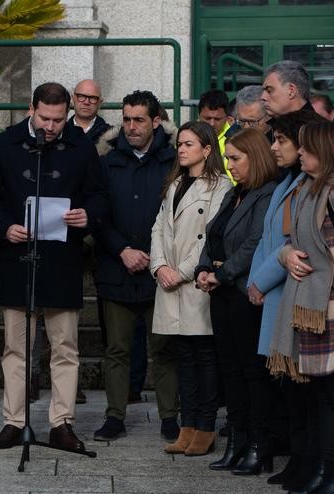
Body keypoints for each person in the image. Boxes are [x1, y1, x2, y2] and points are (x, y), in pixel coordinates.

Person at [0, 82, 108, 453]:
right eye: (44, 118)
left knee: (65, 346)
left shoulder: (81, 146)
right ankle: (13, 422)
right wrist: (4, 225)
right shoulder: (7, 143)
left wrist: (89, 215)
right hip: (17, 257)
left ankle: (61, 422)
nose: (51, 127)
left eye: (58, 119)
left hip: (63, 258)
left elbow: (99, 195)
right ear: (31, 109)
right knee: (15, 348)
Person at [272, 121, 334, 493]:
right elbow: (292, 240)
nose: (299, 154)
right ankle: (326, 472)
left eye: (306, 149)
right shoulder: (311, 190)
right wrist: (286, 254)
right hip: (312, 306)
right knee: (322, 395)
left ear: (324, 152)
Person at [93, 90, 179, 443]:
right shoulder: (107, 160)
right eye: (126, 119)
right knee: (116, 349)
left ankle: (169, 417)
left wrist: (154, 258)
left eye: (138, 120)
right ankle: (115, 416)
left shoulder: (174, 161)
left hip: (162, 273)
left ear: (156, 121)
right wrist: (122, 250)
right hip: (117, 268)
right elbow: (97, 214)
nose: (130, 127)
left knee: (164, 349)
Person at [246, 109, 324, 490]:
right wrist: (254, 281)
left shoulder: (308, 185)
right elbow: (268, 237)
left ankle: (308, 461)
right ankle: (298, 460)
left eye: (281, 141)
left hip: (290, 292)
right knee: (289, 389)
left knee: (301, 388)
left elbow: (293, 244)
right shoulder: (285, 183)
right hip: (274, 289)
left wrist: (259, 281)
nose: (274, 147)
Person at [195, 128, 279, 475]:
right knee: (229, 370)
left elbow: (256, 242)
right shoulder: (236, 194)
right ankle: (237, 441)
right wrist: (202, 267)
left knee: (251, 371)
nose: (229, 166)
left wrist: (222, 273)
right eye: (227, 158)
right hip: (221, 293)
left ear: (254, 158)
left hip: (244, 292)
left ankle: (260, 446)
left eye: (235, 159)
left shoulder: (267, 194)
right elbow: (213, 233)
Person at [150, 121, 231, 456]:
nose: (181, 149)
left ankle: (206, 427)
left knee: (204, 358)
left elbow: (211, 237)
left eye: (189, 144)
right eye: (179, 144)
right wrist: (159, 266)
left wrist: (180, 272)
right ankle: (186, 426)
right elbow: (158, 227)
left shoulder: (221, 186)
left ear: (207, 149)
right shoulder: (174, 184)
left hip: (197, 284)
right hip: (170, 282)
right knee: (183, 357)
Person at [69, 79, 112, 143]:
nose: (86, 102)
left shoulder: (111, 137)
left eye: (92, 98)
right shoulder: (61, 133)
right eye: (81, 96)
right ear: (73, 99)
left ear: (100, 103)